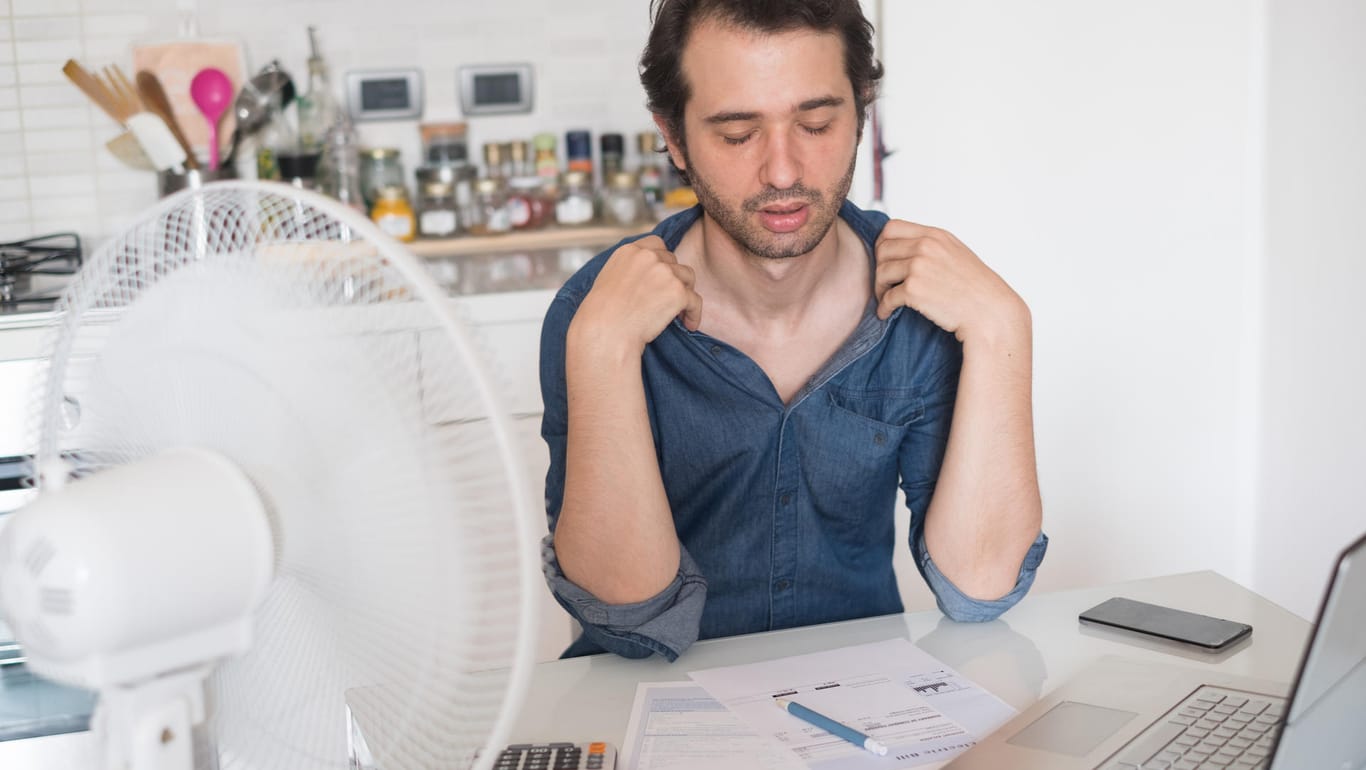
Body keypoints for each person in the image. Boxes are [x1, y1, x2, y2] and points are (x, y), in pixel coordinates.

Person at [538, 0, 1048, 661]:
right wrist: (603, 351)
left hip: (859, 714)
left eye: (815, 123)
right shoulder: (596, 312)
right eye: (736, 134)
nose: (782, 172)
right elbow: (633, 618)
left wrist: (1003, 326)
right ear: (673, 136)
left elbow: (980, 588)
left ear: (861, 113)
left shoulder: (924, 307)